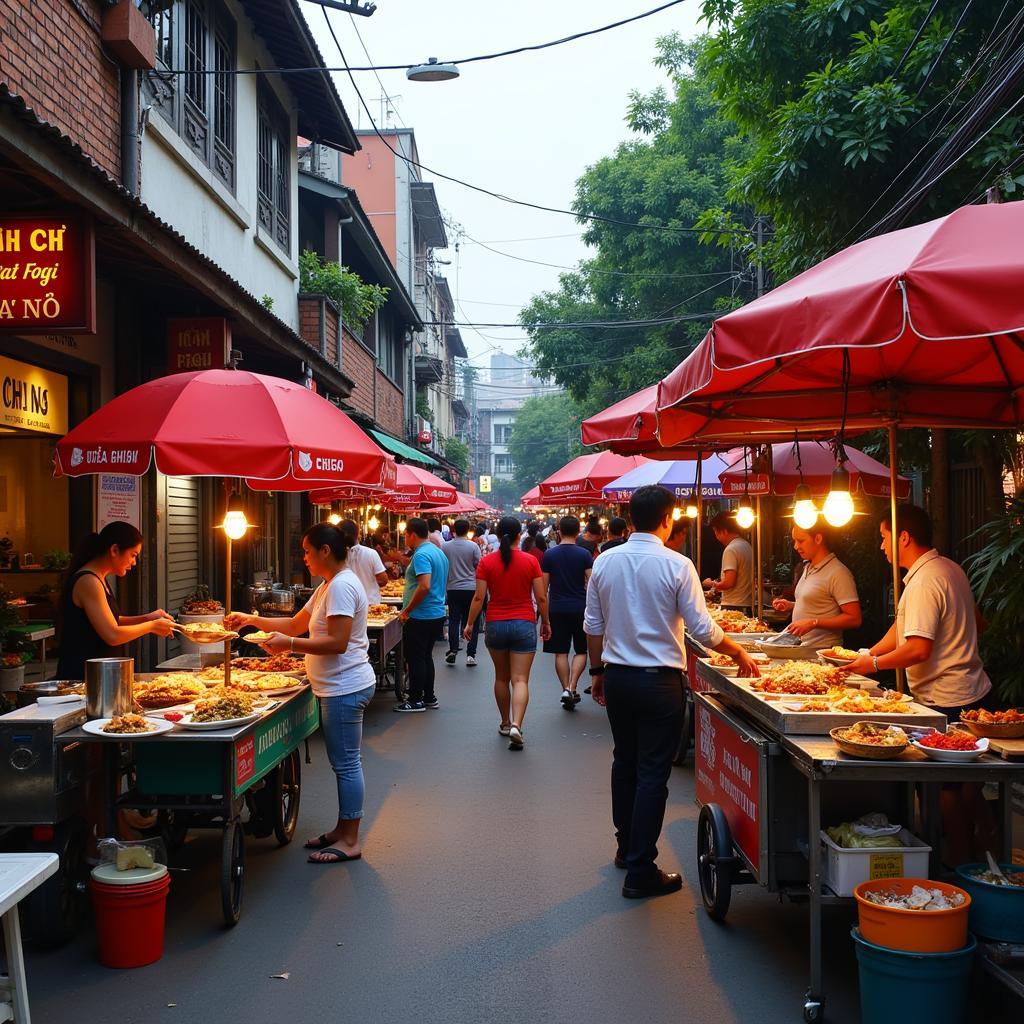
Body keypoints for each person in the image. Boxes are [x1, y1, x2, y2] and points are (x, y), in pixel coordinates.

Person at [584, 485, 759, 899]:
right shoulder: (679, 565)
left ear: (629, 518)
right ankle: (641, 868)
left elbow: (593, 625)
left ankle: (626, 849)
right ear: (667, 519)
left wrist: (596, 672)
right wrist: (736, 650)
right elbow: (702, 629)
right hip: (660, 682)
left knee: (624, 762)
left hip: (619, 677)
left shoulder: (605, 562)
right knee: (651, 774)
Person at [843, 505, 994, 863]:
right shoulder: (949, 569)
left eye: (883, 537)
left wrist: (874, 664)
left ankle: (957, 870)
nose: (881, 546)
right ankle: (984, 859)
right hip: (974, 691)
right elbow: (969, 624)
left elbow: (918, 647)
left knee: (948, 793)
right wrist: (864, 656)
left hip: (948, 699)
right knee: (970, 789)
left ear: (904, 537)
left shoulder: (926, 581)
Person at [225, 524, 375, 864]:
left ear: (325, 550)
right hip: (339, 684)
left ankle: (350, 839)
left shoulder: (341, 587)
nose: (303, 558)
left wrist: (289, 646)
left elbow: (336, 643)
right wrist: (252, 620)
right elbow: (295, 623)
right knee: (345, 762)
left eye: (307, 551)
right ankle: (342, 829)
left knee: (347, 763)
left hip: (344, 686)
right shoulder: (328, 586)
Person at [464, 516, 551, 749]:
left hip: (495, 624)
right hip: (524, 622)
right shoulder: (531, 561)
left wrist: (470, 623)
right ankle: (516, 724)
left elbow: (479, 597)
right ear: (517, 536)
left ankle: (504, 722)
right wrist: (546, 622)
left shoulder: (486, 562)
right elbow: (541, 596)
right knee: (520, 679)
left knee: (501, 677)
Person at [55, 522, 175, 679]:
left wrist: (147, 617)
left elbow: (113, 621)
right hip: (81, 679)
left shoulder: (100, 578)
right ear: (114, 550)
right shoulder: (88, 581)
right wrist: (152, 626)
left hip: (100, 677)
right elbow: (112, 634)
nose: (134, 562)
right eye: (133, 555)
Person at [771, 525, 861, 648]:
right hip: (801, 647)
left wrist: (814, 623)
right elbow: (818, 603)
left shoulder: (838, 572)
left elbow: (854, 619)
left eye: (801, 541)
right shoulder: (808, 566)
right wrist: (791, 605)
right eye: (794, 541)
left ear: (818, 539)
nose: (796, 546)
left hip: (822, 650)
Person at [394, 518, 449, 712]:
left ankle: (416, 699)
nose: (404, 538)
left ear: (412, 534)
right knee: (425, 656)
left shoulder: (422, 555)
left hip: (421, 614)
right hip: (435, 612)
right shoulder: (437, 552)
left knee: (416, 657)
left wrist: (407, 609)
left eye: (405, 535)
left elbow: (424, 585)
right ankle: (429, 696)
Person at [542, 515, 593, 708]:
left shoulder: (550, 555)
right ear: (578, 531)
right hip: (580, 607)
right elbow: (592, 582)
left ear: (559, 531)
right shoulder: (584, 554)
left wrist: (543, 616)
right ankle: (572, 686)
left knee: (560, 652)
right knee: (581, 650)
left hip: (556, 608)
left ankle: (565, 688)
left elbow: (544, 588)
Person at [443, 518, 482, 667]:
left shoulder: (445, 546)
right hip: (471, 588)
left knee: (454, 619)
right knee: (472, 621)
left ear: (454, 530)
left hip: (452, 588)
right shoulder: (473, 546)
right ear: (468, 530)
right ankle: (471, 655)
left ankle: (453, 650)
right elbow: (478, 566)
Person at [703, 511, 753, 612]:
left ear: (724, 531)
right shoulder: (747, 546)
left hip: (733, 606)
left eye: (716, 533)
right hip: (747, 605)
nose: (716, 537)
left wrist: (710, 583)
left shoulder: (731, 549)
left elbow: (729, 583)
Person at [339, 520, 388, 604]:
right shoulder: (371, 553)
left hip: (347, 604)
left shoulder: (336, 556)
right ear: (358, 534)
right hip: (370, 603)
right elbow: (383, 580)